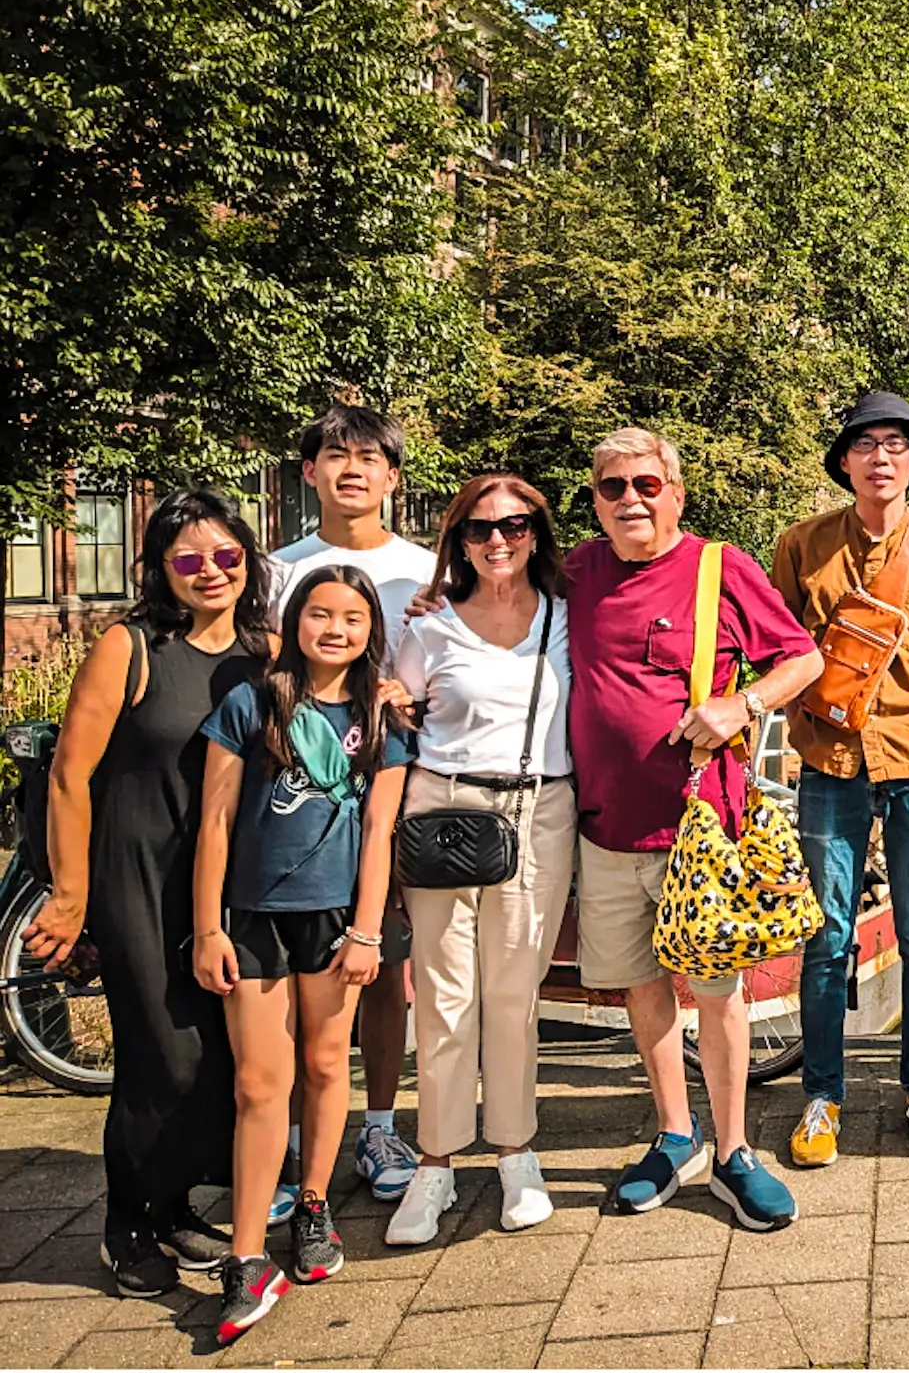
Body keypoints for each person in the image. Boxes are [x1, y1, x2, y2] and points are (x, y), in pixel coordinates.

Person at [563, 428, 823, 1229]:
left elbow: (803, 657)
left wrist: (743, 704)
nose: (631, 500)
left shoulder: (720, 568)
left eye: (647, 484)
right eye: (613, 488)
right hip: (606, 829)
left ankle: (736, 1149)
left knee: (717, 993)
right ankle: (676, 1133)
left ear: (676, 492)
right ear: (598, 501)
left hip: (699, 829)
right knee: (642, 986)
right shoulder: (575, 570)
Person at [25, 490, 268, 1296]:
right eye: (188, 559)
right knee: (161, 1054)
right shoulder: (129, 647)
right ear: (161, 569)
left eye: (225, 555)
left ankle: (171, 1204)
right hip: (137, 872)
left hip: (226, 879)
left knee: (221, 1054)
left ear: (247, 558)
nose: (210, 572)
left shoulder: (263, 653)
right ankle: (127, 1222)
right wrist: (69, 895)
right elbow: (69, 774)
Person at [192, 566, 415, 1342]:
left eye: (352, 618)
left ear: (369, 631)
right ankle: (248, 1255)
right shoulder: (251, 703)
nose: (335, 629)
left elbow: (379, 833)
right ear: (294, 622)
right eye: (319, 614)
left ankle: (315, 1205)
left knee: (325, 1067)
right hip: (253, 918)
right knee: (260, 1083)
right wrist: (209, 926)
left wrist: (365, 933)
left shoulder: (381, 722)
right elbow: (215, 824)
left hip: (335, 924)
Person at [770, 393, 909, 1166]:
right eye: (867, 445)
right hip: (830, 765)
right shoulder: (802, 545)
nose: (881, 457)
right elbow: (779, 644)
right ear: (846, 461)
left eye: (896, 444)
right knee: (827, 936)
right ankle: (821, 1096)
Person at [384, 476, 575, 1246]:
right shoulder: (428, 626)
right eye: (480, 529)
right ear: (457, 539)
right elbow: (398, 706)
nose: (499, 541)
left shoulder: (566, 617)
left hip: (539, 810)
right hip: (443, 809)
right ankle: (434, 1161)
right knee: (443, 993)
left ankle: (515, 1153)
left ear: (538, 532)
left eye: (516, 526)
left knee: (514, 992)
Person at [269, 405, 437, 1209]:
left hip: (394, 786)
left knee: (383, 964)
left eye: (369, 457)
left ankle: (377, 1123)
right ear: (309, 472)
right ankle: (296, 1133)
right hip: (296, 803)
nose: (351, 470)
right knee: (297, 966)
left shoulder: (427, 567)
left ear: (392, 477)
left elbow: (447, 662)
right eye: (334, 455)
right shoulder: (275, 570)